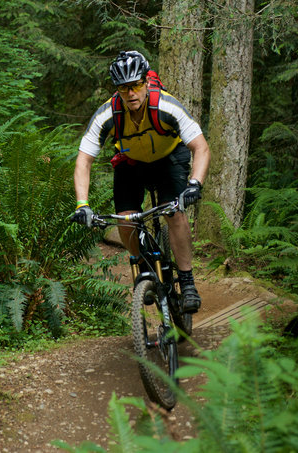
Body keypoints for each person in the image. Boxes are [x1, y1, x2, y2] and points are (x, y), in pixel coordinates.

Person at [71, 50, 210, 313]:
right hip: (132, 162)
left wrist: (195, 184)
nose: (131, 93)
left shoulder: (166, 106)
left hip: (169, 158)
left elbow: (201, 148)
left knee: (175, 213)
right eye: (124, 88)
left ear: (146, 83)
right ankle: (142, 265)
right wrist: (82, 204)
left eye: (135, 85)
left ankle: (188, 281)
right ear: (117, 91)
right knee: (125, 218)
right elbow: (83, 161)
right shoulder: (107, 115)